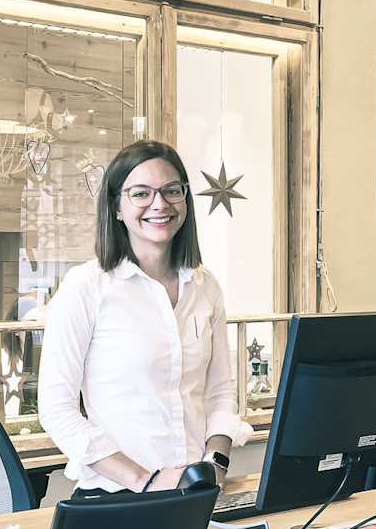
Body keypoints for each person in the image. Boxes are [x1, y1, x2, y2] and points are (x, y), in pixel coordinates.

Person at [39, 140, 251, 495]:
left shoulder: (205, 287)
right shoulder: (86, 287)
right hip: (116, 497)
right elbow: (56, 410)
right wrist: (144, 480)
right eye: (141, 193)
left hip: (194, 493)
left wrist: (215, 465)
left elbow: (220, 392)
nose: (160, 204)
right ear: (116, 208)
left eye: (172, 191)